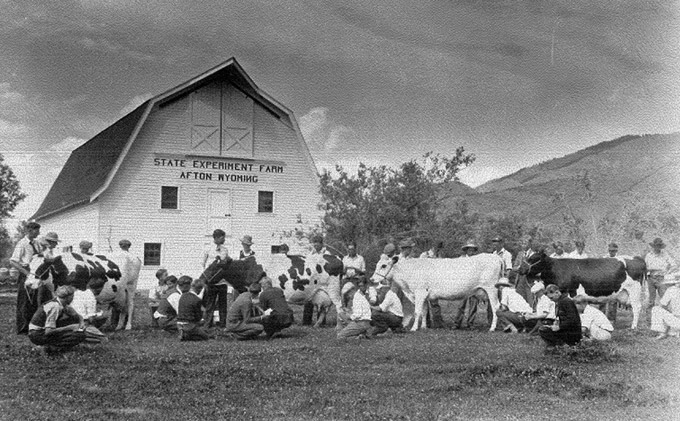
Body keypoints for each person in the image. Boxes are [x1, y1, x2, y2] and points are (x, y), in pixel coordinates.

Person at [11, 221, 47, 334]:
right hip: (26, 273)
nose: (39, 232)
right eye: (37, 230)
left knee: (35, 300)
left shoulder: (36, 243)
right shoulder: (22, 244)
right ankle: (22, 328)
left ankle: (33, 325)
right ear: (29, 231)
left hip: (36, 272)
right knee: (24, 301)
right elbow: (13, 261)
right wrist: (26, 273)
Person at [28, 285, 87, 353]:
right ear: (68, 297)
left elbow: (78, 316)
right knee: (79, 335)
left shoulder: (61, 303)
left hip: (40, 331)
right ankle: (47, 348)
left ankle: (51, 347)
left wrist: (82, 323)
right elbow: (48, 331)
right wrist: (69, 327)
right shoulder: (55, 307)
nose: (73, 298)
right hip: (37, 334)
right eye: (72, 296)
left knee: (72, 321)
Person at [202, 229, 230, 328]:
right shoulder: (208, 248)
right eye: (222, 238)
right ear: (216, 238)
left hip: (222, 281)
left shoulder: (225, 250)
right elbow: (203, 263)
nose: (224, 240)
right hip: (211, 281)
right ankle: (207, 324)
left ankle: (223, 325)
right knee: (210, 303)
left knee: (223, 304)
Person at [452, 242, 482, 329]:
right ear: (466, 250)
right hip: (463, 284)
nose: (471, 252)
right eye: (469, 250)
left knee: (473, 305)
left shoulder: (477, 260)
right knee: (461, 305)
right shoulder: (461, 259)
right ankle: (457, 323)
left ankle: (470, 323)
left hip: (474, 284)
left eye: (473, 250)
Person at [114, 239, 142, 330]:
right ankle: (126, 323)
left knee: (127, 299)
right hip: (124, 281)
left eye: (123, 245)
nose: (123, 246)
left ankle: (124, 323)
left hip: (121, 281)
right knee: (129, 299)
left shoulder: (116, 256)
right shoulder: (134, 258)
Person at [645, 237, 677, 307]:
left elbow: (674, 265)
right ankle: (649, 317)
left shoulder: (665, 255)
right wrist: (651, 269)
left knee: (664, 299)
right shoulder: (649, 255)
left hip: (661, 279)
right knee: (651, 299)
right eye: (656, 246)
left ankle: (665, 316)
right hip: (651, 278)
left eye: (659, 246)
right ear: (654, 246)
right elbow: (645, 267)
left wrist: (667, 272)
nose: (658, 248)